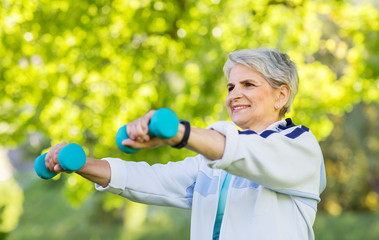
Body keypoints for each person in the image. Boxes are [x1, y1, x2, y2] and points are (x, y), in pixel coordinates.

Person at [45, 47, 326, 240]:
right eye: (231, 87)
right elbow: (152, 179)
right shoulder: (214, 165)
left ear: (281, 95)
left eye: (248, 85)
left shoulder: (299, 148)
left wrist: (177, 133)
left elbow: (242, 152)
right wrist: (81, 164)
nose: (234, 95)